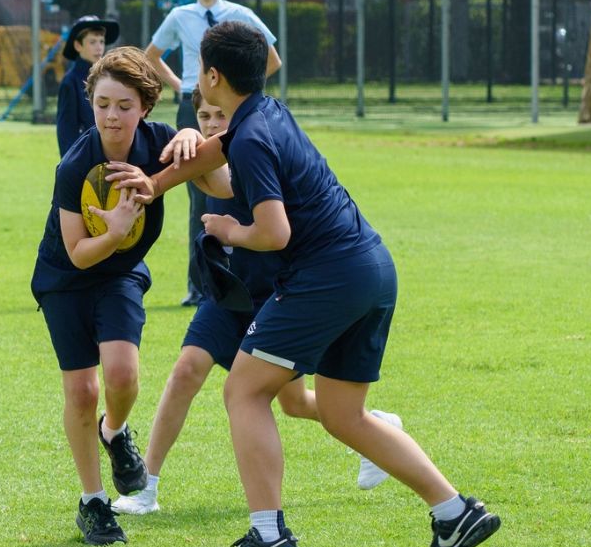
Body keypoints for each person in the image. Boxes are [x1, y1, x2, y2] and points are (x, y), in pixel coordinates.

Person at [139, 22, 499, 547]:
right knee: (341, 413)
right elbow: (216, 151)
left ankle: (267, 537)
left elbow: (274, 232)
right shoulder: (266, 114)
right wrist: (154, 184)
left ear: (211, 75)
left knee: (243, 391)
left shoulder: (254, 136)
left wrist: (227, 232)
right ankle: (455, 512)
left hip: (327, 277)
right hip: (373, 269)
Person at [114, 89, 400, 516]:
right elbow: (203, 171)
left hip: (276, 295)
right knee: (186, 369)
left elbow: (223, 183)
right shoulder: (215, 153)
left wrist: (195, 152)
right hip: (230, 291)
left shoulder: (253, 151)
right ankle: (146, 487)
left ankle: (375, 428)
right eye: (203, 117)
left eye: (218, 116)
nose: (211, 123)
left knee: (294, 402)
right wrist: (189, 135)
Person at [32, 46, 175, 547]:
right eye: (102, 104)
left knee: (121, 374)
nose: (111, 116)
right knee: (82, 391)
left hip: (119, 276)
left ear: (145, 107)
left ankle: (114, 432)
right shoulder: (74, 165)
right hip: (65, 278)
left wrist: (199, 136)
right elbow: (76, 252)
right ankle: (93, 502)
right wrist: (115, 231)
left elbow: (210, 165)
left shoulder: (162, 144)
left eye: (124, 106)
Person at [143, 0, 280, 306]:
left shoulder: (240, 16)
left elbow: (273, 59)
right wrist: (181, 87)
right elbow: (151, 56)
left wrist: (239, 89)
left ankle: (249, 277)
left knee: (244, 190)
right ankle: (200, 285)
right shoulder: (180, 15)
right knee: (199, 198)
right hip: (194, 109)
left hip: (233, 107)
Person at [55, 14, 120, 155]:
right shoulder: (70, 82)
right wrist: (70, 165)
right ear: (78, 45)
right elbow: (66, 130)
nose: (99, 47)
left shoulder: (108, 77)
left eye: (101, 42)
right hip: (86, 156)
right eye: (92, 42)